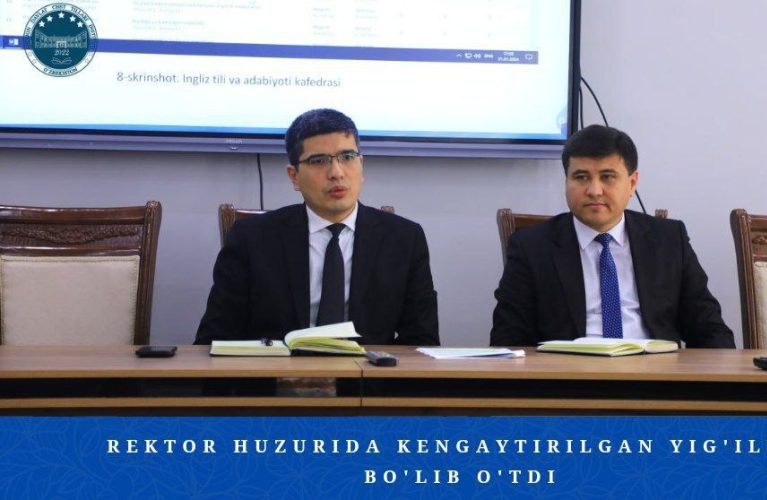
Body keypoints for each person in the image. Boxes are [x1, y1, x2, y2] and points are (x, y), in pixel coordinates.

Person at [196, 108, 439, 346]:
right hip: (277, 371)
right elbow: (214, 339)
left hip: (366, 371)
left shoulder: (404, 239)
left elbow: (422, 342)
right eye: (319, 161)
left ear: (361, 165)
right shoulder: (251, 239)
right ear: (294, 176)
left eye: (347, 157)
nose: (336, 173)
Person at [490, 124, 734, 348]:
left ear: (632, 183)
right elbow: (508, 340)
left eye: (607, 177)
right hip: (569, 372)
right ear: (566, 181)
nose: (594, 191)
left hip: (655, 370)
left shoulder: (668, 240)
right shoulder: (532, 247)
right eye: (581, 177)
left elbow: (710, 329)